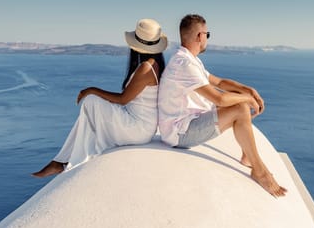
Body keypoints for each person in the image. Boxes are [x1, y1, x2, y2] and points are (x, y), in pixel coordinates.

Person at [158, 14, 287, 197]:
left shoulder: (190, 59)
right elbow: (220, 100)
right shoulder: (184, 64)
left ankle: (246, 155)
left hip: (185, 124)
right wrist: (246, 99)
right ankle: (260, 171)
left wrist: (248, 90)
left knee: (239, 100)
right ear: (200, 36)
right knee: (240, 107)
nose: (207, 39)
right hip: (179, 133)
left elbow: (219, 82)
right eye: (207, 34)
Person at [32, 18, 168, 178]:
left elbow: (123, 99)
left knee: (91, 103)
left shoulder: (146, 68)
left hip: (138, 129)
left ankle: (65, 161)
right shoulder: (154, 65)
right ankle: (63, 161)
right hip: (142, 125)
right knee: (93, 108)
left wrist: (91, 90)